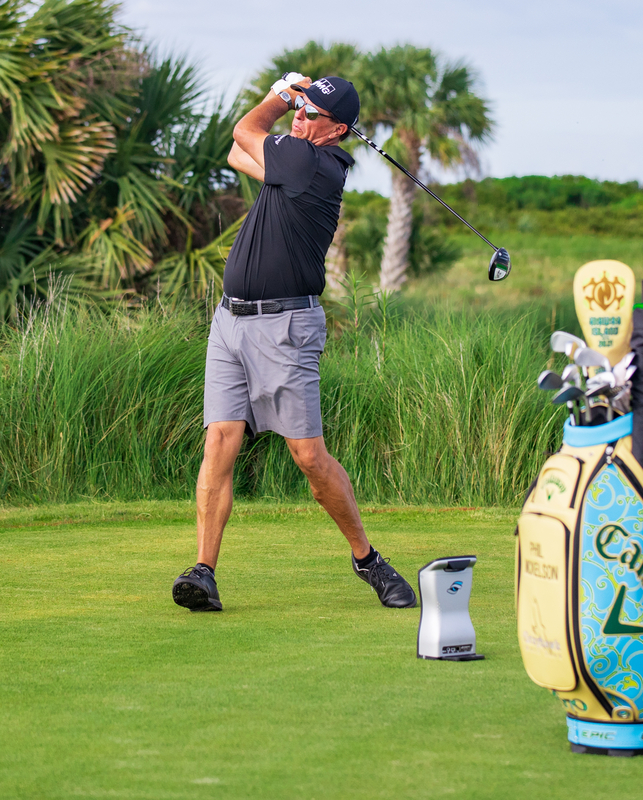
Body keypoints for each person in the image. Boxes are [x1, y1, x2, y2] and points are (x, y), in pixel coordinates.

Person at [171, 73, 417, 612]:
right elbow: (240, 156)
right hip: (229, 324)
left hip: (285, 329)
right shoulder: (293, 165)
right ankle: (203, 571)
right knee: (219, 441)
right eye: (299, 110)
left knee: (307, 456)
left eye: (310, 114)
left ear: (336, 132)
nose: (300, 118)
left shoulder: (311, 163)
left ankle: (368, 560)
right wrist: (293, 108)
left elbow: (245, 128)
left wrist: (281, 95)